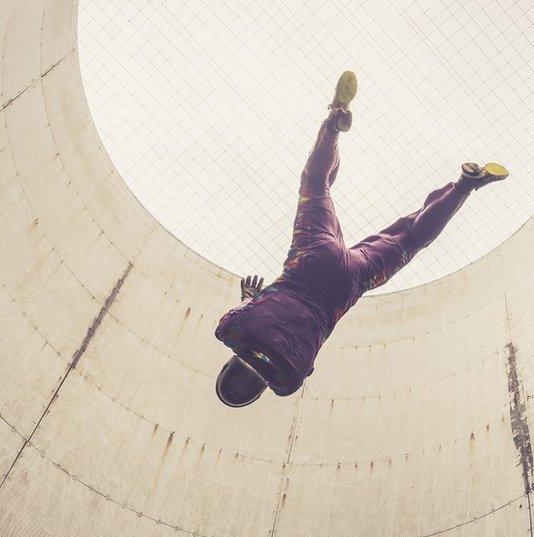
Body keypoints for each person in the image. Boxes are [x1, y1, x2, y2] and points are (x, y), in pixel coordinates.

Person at [215, 71, 508, 407]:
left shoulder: (289, 380)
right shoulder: (231, 331)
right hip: (310, 259)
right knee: (315, 183)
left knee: (410, 241)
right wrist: (250, 297)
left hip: (347, 285)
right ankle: (334, 121)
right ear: (227, 366)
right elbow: (246, 315)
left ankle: (465, 185)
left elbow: (304, 364)